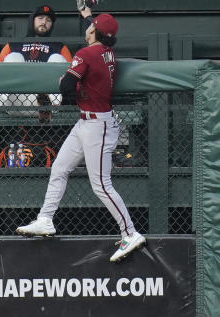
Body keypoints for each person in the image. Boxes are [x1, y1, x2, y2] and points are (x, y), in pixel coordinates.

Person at [17, 13, 147, 262]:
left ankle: (130, 232)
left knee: (101, 185)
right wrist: (90, 15)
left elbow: (65, 88)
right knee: (59, 168)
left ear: (95, 33)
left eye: (91, 27)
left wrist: (68, 82)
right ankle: (45, 219)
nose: (88, 29)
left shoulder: (86, 54)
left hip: (98, 125)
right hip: (87, 122)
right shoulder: (107, 52)